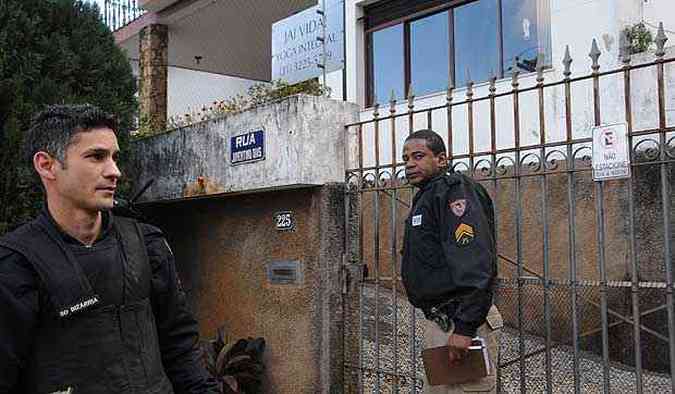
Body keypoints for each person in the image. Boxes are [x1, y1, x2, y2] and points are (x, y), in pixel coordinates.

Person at [0, 104, 220, 394]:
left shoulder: (147, 245)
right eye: (96, 157)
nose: (114, 171)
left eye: (114, 157)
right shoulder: (17, 263)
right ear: (46, 165)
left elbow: (180, 346)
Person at [401, 129, 503, 393]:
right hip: (442, 321)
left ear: (442, 159)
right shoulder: (429, 195)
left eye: (419, 156)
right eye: (405, 158)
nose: (410, 163)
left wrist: (465, 327)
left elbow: (475, 261)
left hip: (462, 322)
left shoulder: (454, 193)